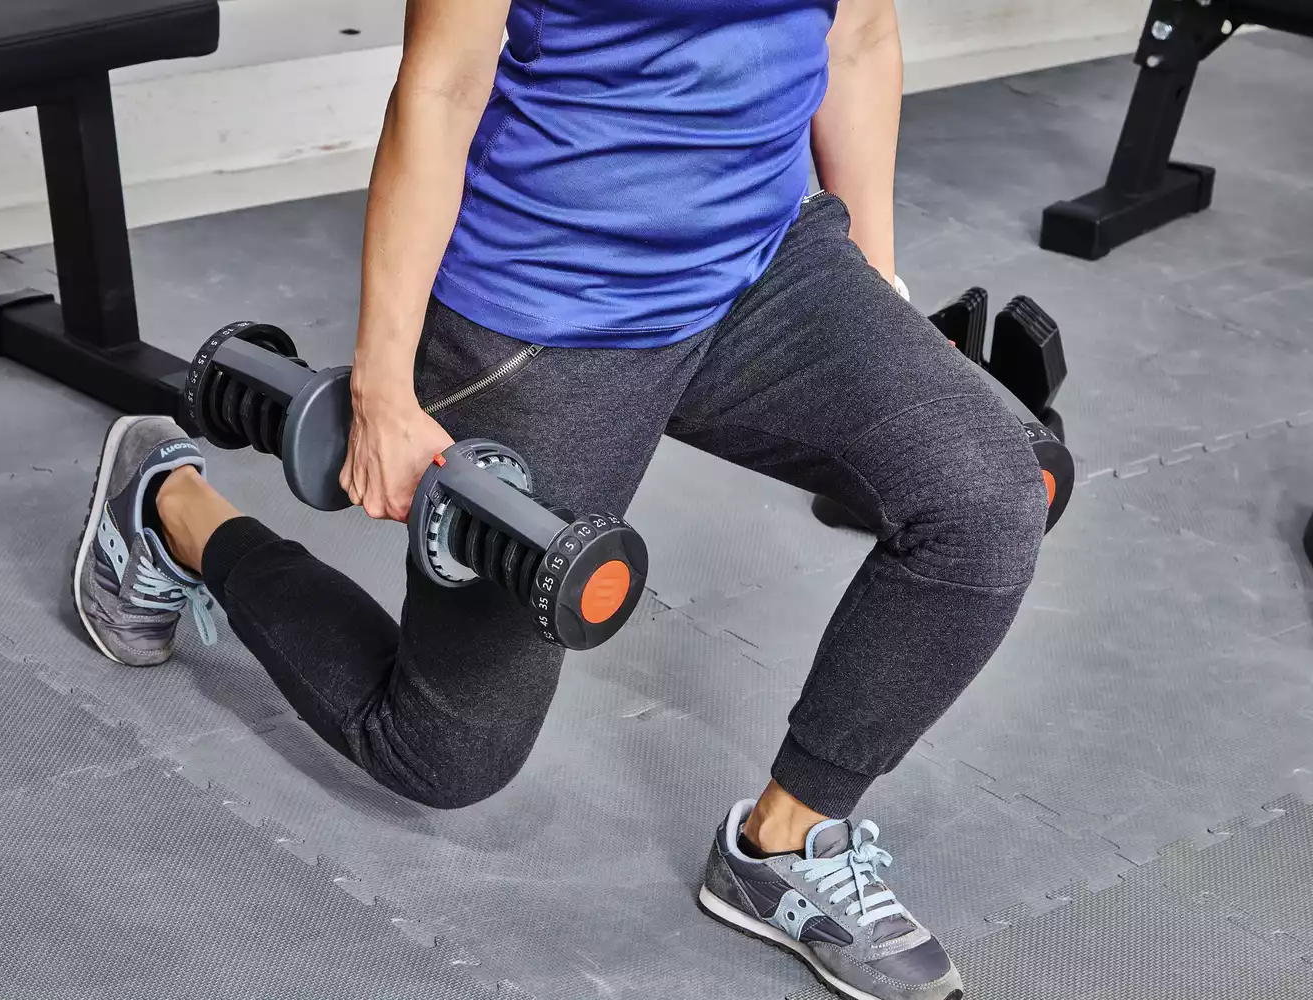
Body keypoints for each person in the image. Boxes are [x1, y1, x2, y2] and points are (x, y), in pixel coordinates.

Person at [71, 0, 1045, 995]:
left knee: (987, 496)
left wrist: (876, 285)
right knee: (444, 755)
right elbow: (441, 86)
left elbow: (859, 33)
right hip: (552, 300)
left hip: (762, 263)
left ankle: (783, 845)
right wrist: (382, 391)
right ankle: (171, 508)